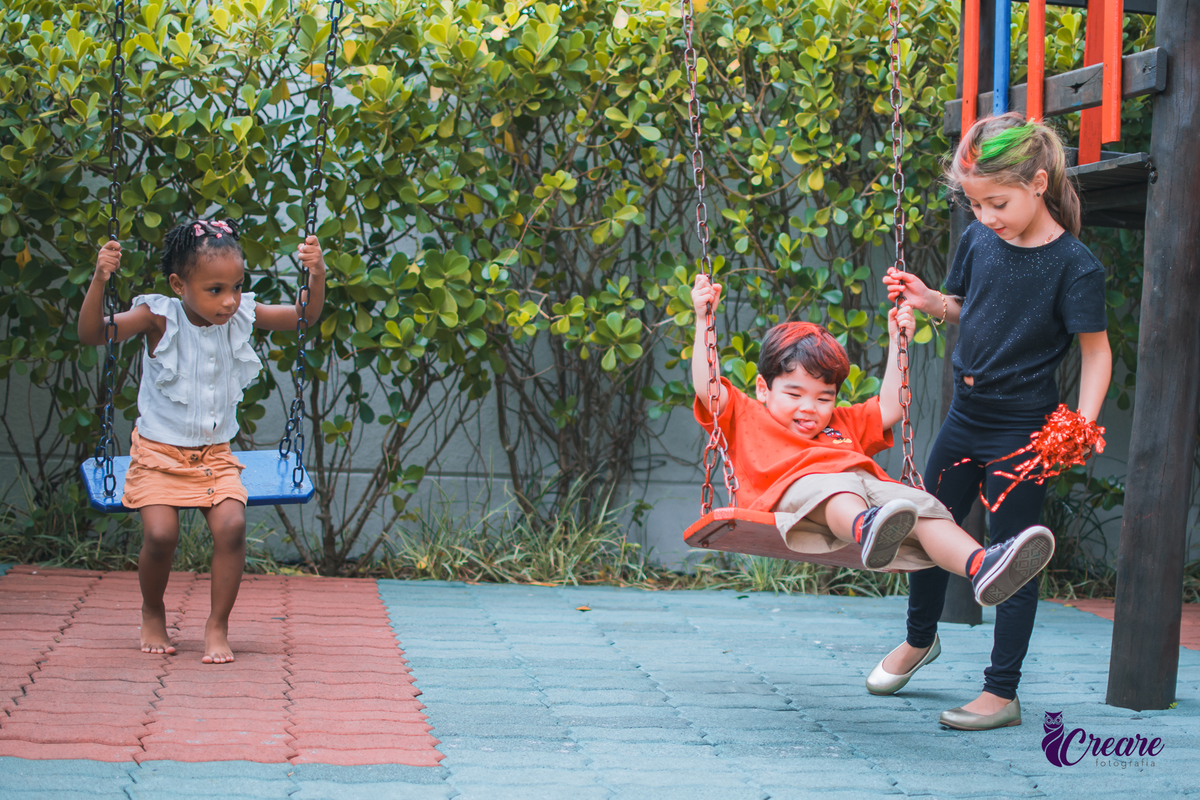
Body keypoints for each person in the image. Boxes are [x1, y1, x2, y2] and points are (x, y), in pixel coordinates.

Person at [879, 112, 1112, 730]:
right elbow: (966, 308)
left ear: (1038, 183)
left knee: (1012, 557)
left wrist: (1082, 426)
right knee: (928, 527)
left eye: (998, 202)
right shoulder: (981, 238)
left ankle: (1001, 691)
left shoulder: (1075, 266)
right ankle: (920, 638)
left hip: (1021, 432)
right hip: (964, 417)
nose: (986, 217)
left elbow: (1096, 352)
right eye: (976, 204)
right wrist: (931, 303)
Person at [690, 274, 1055, 612]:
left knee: (922, 505)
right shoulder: (746, 414)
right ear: (763, 388)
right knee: (836, 486)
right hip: (795, 495)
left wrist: (899, 345)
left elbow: (891, 407)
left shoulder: (843, 422)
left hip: (865, 495)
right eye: (795, 393)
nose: (809, 408)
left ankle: (982, 566)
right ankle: (868, 528)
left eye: (823, 397)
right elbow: (707, 387)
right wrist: (703, 320)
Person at [78, 219, 327, 664]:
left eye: (236, 286)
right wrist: (100, 278)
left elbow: (303, 316)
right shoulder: (157, 317)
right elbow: (93, 334)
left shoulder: (242, 314)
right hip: (157, 454)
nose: (229, 300)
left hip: (214, 455)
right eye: (215, 290)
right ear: (179, 284)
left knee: (231, 527)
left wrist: (317, 275)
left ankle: (217, 625)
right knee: (160, 535)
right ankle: (152, 610)